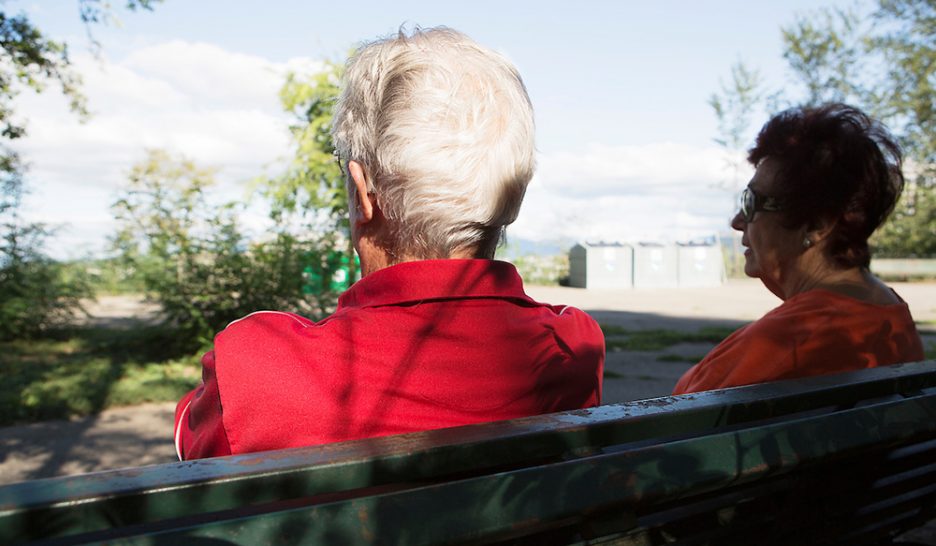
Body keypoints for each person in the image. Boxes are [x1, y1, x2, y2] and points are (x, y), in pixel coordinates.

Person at [174, 27, 604, 460]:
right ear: (515, 195)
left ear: (363, 193)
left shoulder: (254, 368)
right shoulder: (572, 347)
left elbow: (195, 452)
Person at [673, 104, 924, 395]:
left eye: (752, 202)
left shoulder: (788, 341)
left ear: (817, 224)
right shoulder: (890, 316)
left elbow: (679, 420)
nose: (737, 221)